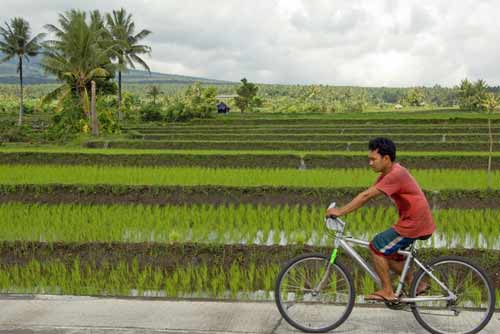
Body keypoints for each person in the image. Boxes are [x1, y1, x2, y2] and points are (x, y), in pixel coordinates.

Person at [326, 137, 435, 301]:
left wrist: (340, 211)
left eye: (373, 159)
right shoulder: (388, 174)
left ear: (386, 158)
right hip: (414, 220)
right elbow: (369, 194)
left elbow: (366, 196)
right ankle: (416, 284)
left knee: (377, 245)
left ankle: (387, 291)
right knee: (388, 253)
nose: (370, 163)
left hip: (414, 223)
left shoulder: (395, 174)